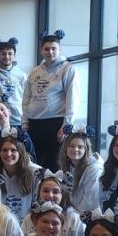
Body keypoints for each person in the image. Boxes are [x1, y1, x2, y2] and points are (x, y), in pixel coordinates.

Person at [23, 29, 77, 170]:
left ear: (60, 49)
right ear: (41, 51)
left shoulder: (68, 69)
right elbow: (26, 99)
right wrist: (25, 123)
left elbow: (73, 99)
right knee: (34, 164)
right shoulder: (34, 72)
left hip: (56, 123)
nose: (50, 52)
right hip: (34, 123)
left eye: (54, 48)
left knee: (55, 165)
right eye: (47, 49)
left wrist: (67, 125)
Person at [19, 171, 85, 236]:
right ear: (39, 194)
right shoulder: (29, 218)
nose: (50, 195)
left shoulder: (74, 219)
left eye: (55, 192)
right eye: (45, 191)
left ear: (63, 194)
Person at [0, 134, 40, 221]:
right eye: (4, 150)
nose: (8, 154)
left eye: (13, 150)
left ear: (21, 152)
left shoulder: (36, 173)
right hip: (1, 224)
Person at [59, 126, 103, 213]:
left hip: (86, 217)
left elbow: (89, 203)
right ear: (66, 148)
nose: (75, 150)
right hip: (71, 215)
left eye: (80, 147)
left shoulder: (94, 169)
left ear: (86, 149)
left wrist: (74, 219)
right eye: (72, 146)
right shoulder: (66, 167)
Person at [0, 97, 37, 162]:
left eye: (2, 109)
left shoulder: (21, 133)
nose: (0, 113)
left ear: (9, 112)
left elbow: (32, 155)